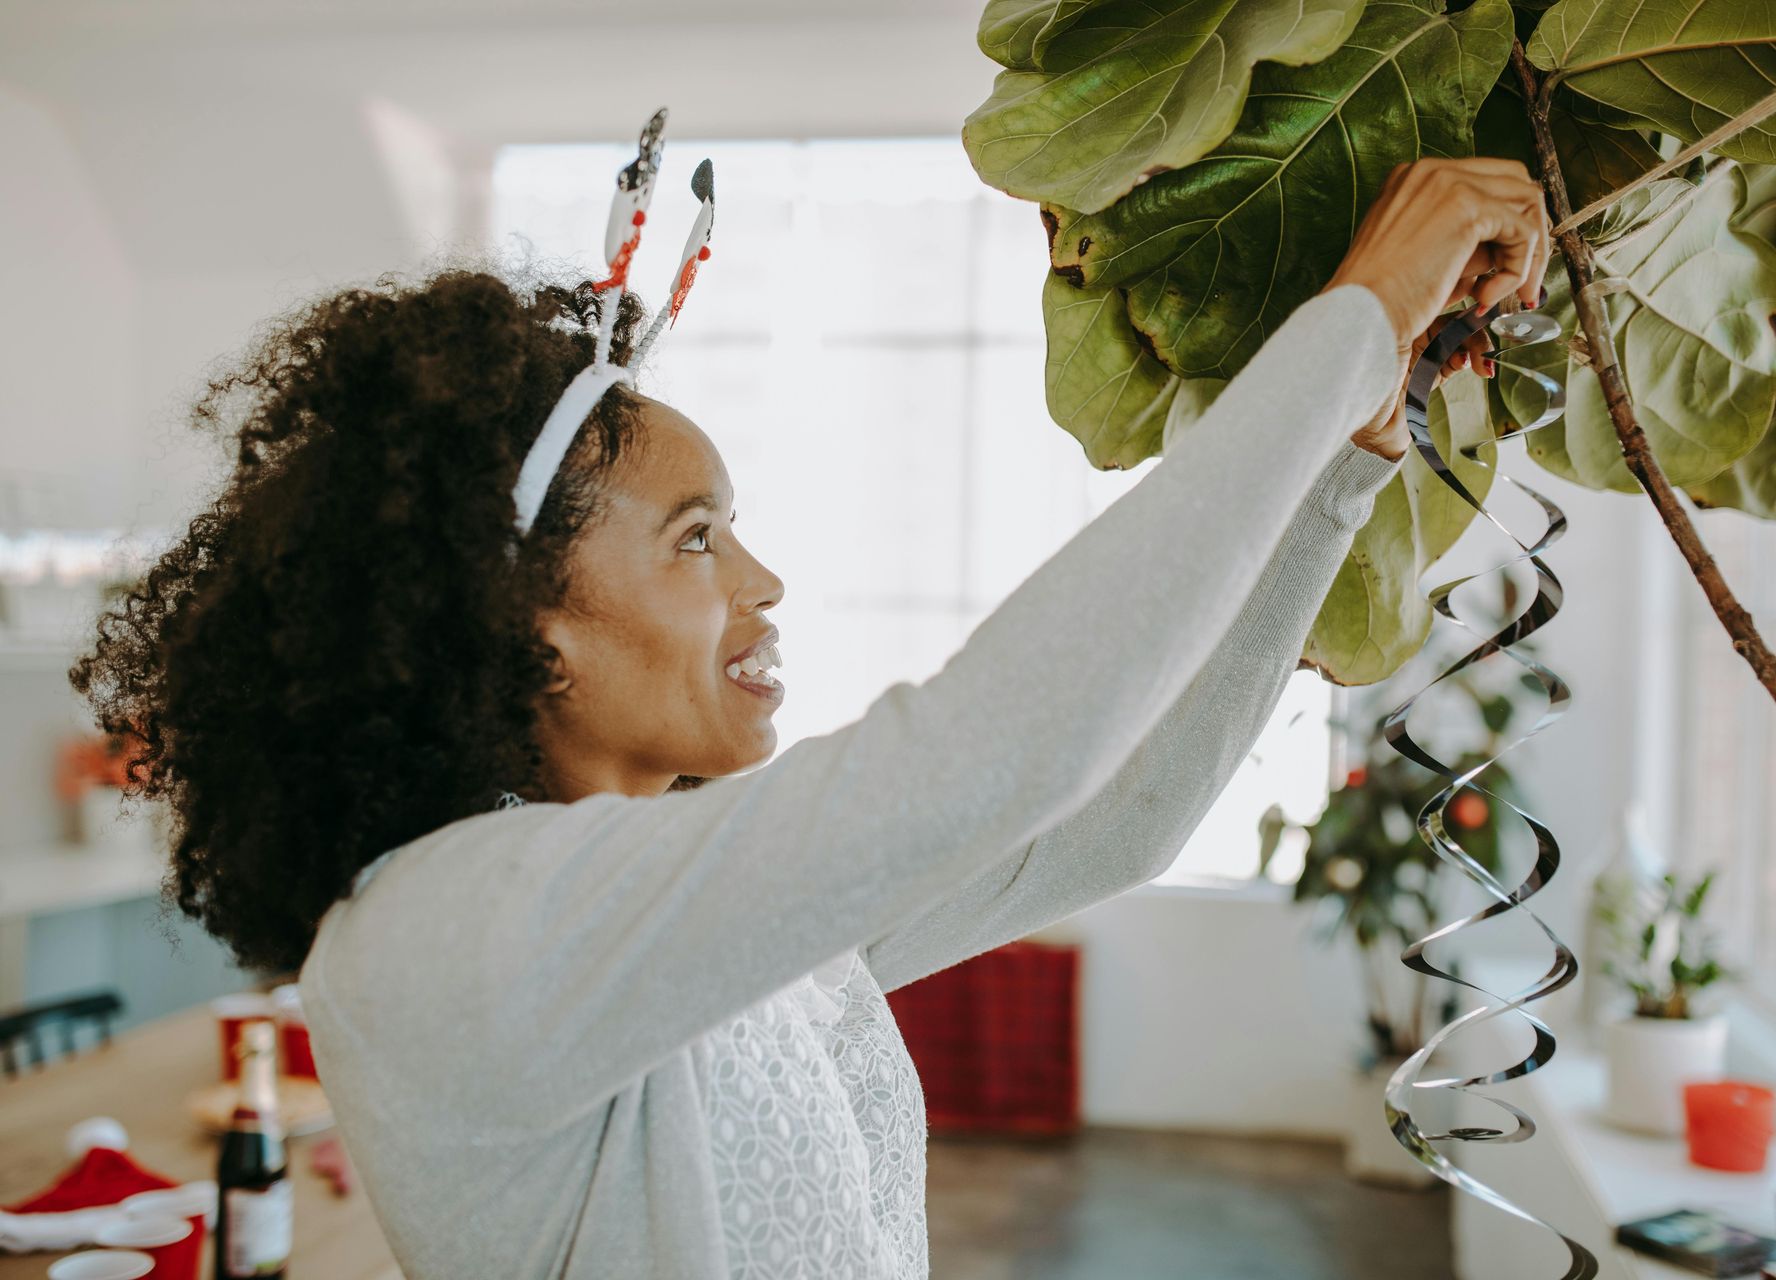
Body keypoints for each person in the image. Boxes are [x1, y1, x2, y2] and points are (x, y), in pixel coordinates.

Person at [71, 155, 1548, 1277]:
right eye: (699, 536)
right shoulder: (455, 934)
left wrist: (1347, 466)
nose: (764, 583)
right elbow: (993, 751)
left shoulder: (676, 902)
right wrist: (1352, 321)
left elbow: (1105, 821)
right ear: (519, 613)